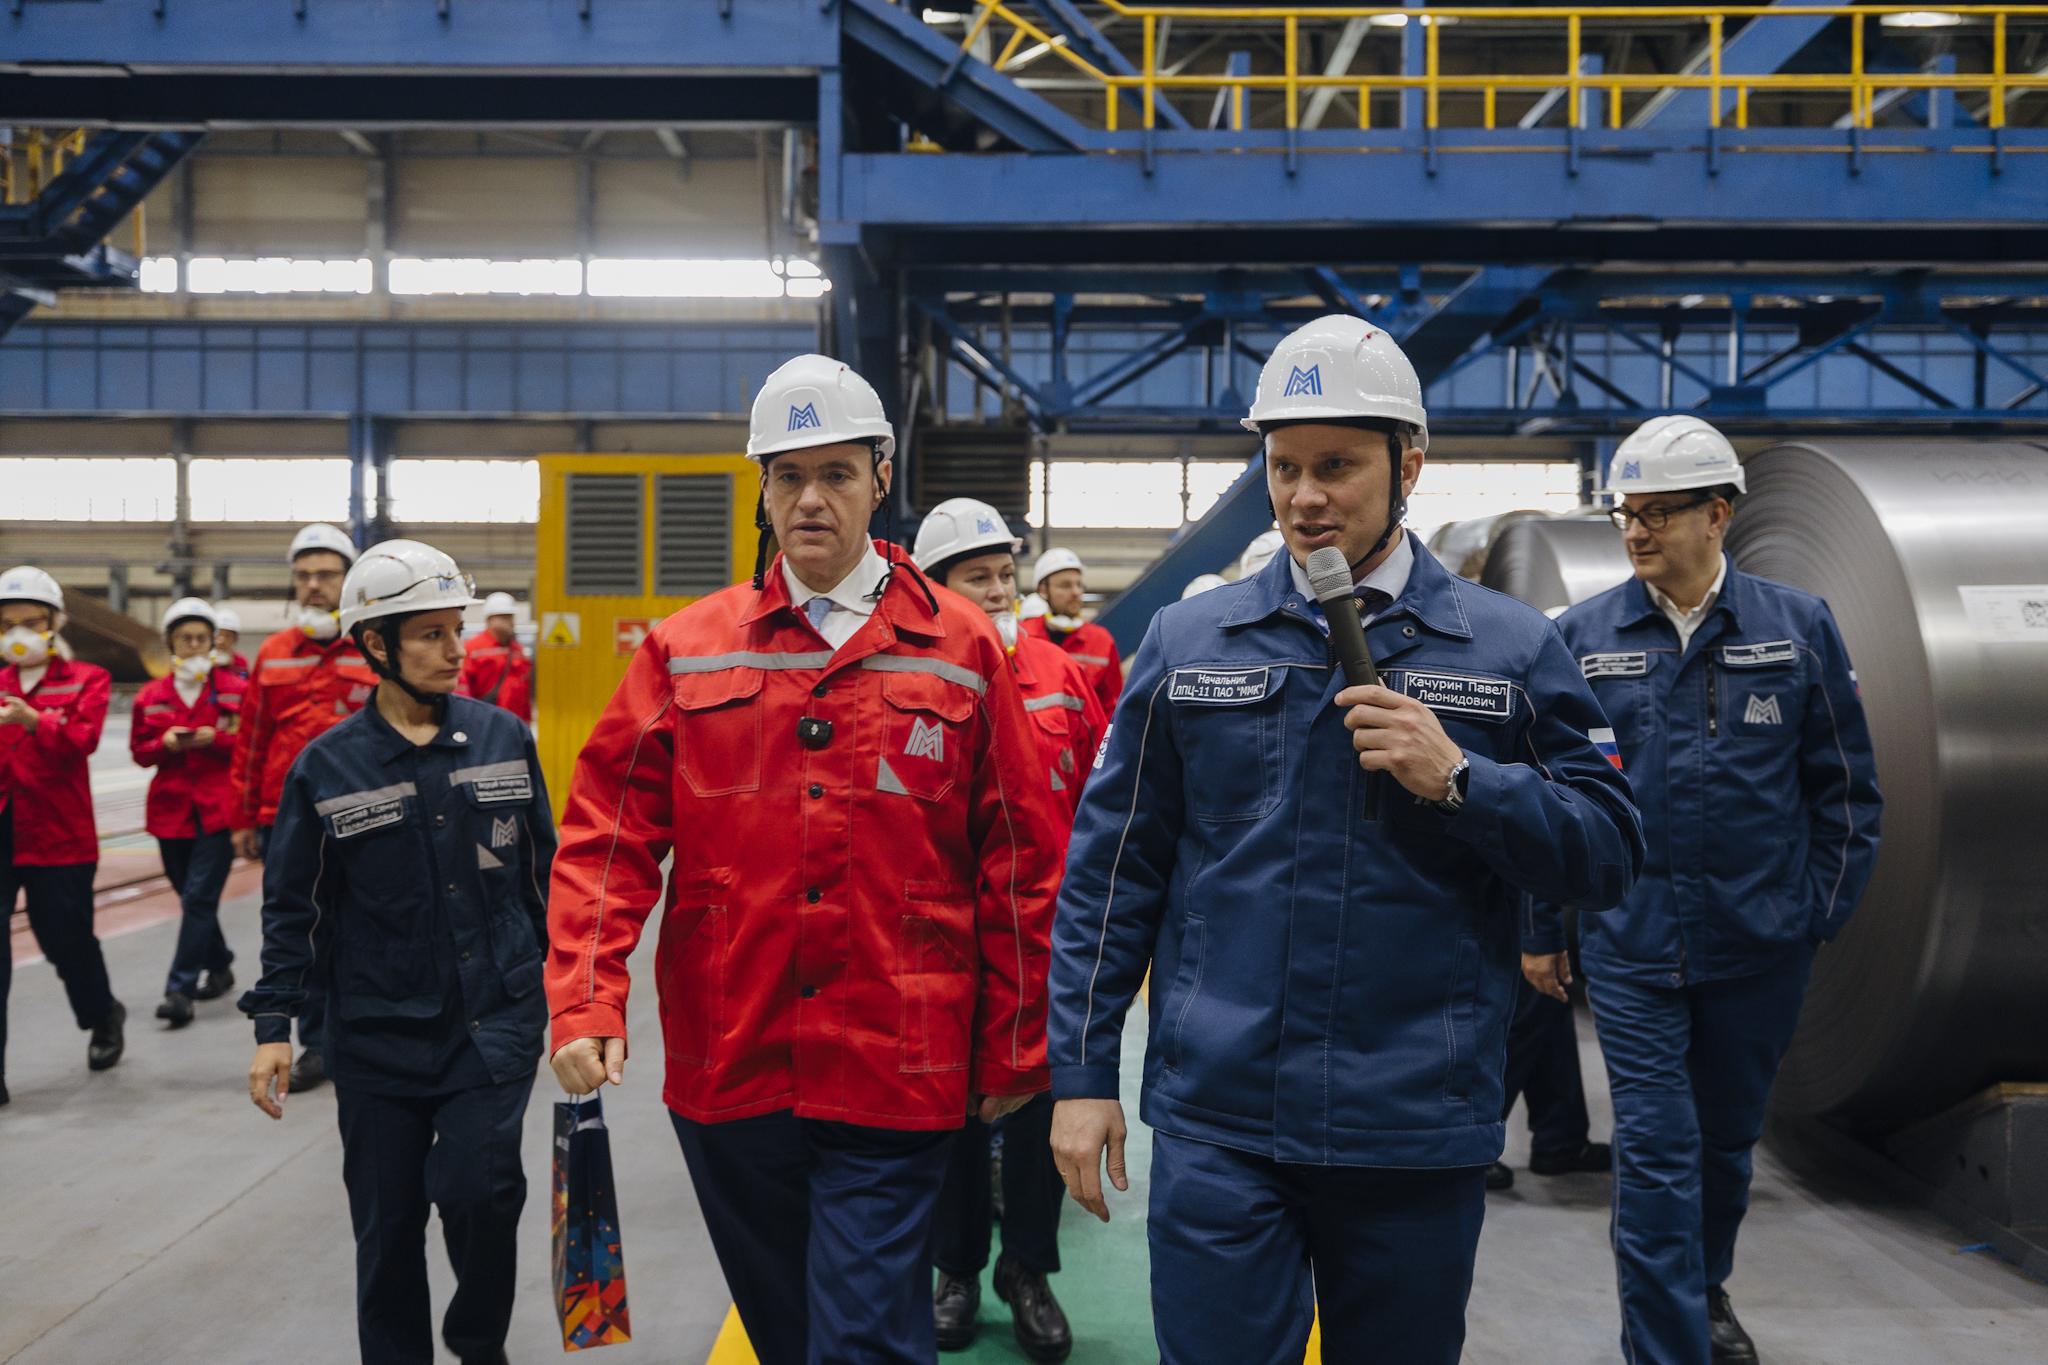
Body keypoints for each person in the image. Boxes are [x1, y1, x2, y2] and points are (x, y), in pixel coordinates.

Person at [1045, 315, 1645, 1365]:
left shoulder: (1508, 649)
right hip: (1223, 1121)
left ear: (1408, 465)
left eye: (1336, 466)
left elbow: (1605, 852)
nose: (1304, 496)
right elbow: (1112, 873)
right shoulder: (1190, 644)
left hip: (1413, 1126)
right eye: (1283, 467)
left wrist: (1461, 780)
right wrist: (1083, 1073)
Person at [545, 353, 1064, 1365]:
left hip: (897, 1057)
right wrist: (585, 996)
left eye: (835, 473)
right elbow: (607, 832)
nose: (810, 498)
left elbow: (1019, 857)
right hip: (730, 1058)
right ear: (763, 488)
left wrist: (1015, 1041)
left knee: (864, 1337)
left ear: (880, 478)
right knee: (789, 1334)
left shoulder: (959, 647)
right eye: (788, 476)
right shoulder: (688, 648)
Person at [1526, 415, 1881, 1365]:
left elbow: (1846, 788)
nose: (1636, 532)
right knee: (1654, 1150)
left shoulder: (1796, 627)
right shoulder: (1580, 638)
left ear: (1718, 514)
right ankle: (1667, 1345)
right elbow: (1551, 801)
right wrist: (1542, 925)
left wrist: (1815, 916)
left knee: (1725, 1144)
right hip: (1633, 944)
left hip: (1760, 943)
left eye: (1658, 513)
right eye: (1625, 515)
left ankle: (1704, 1284)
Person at [241, 539, 552, 1365]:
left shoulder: (503, 738)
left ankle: (479, 1346)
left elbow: (541, 876)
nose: (456, 649)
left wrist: (579, 995)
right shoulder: (325, 768)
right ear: (376, 644)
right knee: (386, 1228)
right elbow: (293, 907)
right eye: (431, 634)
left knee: (484, 1193)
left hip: (494, 1022)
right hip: (378, 1034)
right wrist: (275, 1025)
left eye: (458, 629)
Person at [914, 497, 1106, 1363]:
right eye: (975, 577)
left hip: (1045, 940)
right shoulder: (915, 682)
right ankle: (955, 1268)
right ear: (934, 590)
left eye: (1003, 574)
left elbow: (1101, 801)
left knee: (1036, 1111)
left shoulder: (1059, 675)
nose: (996, 590)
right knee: (952, 1110)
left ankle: (1027, 1268)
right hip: (943, 940)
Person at [230, 522, 377, 1092]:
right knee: (302, 930)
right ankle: (317, 1042)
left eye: (326, 574)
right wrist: (243, 816)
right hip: (284, 818)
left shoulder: (372, 645)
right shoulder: (273, 653)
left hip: (363, 813)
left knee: (363, 926)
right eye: (304, 575)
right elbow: (252, 739)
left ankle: (360, 1029)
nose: (313, 585)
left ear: (349, 580)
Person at [0, 564, 125, 1101]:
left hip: (59, 832)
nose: (18, 634)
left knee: (65, 940)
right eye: (6, 624)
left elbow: (83, 740)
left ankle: (103, 1013)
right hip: (4, 827)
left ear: (54, 624)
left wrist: (34, 720)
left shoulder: (86, 679)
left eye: (30, 622)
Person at [131, 597, 249, 1028]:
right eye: (186, 638)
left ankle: (179, 990)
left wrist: (216, 739)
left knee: (199, 897)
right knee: (190, 896)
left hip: (219, 810)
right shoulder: (151, 696)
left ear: (213, 642)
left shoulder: (236, 689)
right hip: (171, 811)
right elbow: (140, 752)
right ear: (171, 643)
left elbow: (250, 744)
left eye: (202, 638)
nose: (195, 645)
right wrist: (162, 744)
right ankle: (220, 964)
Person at [1484, 932, 1609, 1192]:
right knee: (1525, 1007)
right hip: (1527, 921)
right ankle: (1471, 1140)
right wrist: (1536, 939)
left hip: (1543, 921)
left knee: (1549, 1000)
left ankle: (1560, 1138)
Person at [1021, 548, 1121, 715]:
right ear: (1043, 590)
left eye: (1079, 584)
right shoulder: (1023, 636)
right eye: (1065, 585)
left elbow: (1113, 707)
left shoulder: (1100, 641)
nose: (1076, 592)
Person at [457, 592, 533, 722]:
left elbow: (524, 692)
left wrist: (526, 722)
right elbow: (463, 690)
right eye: (505, 618)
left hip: (514, 722)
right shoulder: (472, 648)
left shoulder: (517, 650)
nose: (511, 622)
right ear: (491, 619)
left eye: (511, 617)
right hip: (484, 722)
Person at [211, 605, 250, 678]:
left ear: (234, 639)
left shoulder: (240, 662)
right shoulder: (204, 661)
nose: (222, 640)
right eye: (218, 634)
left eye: (228, 636)